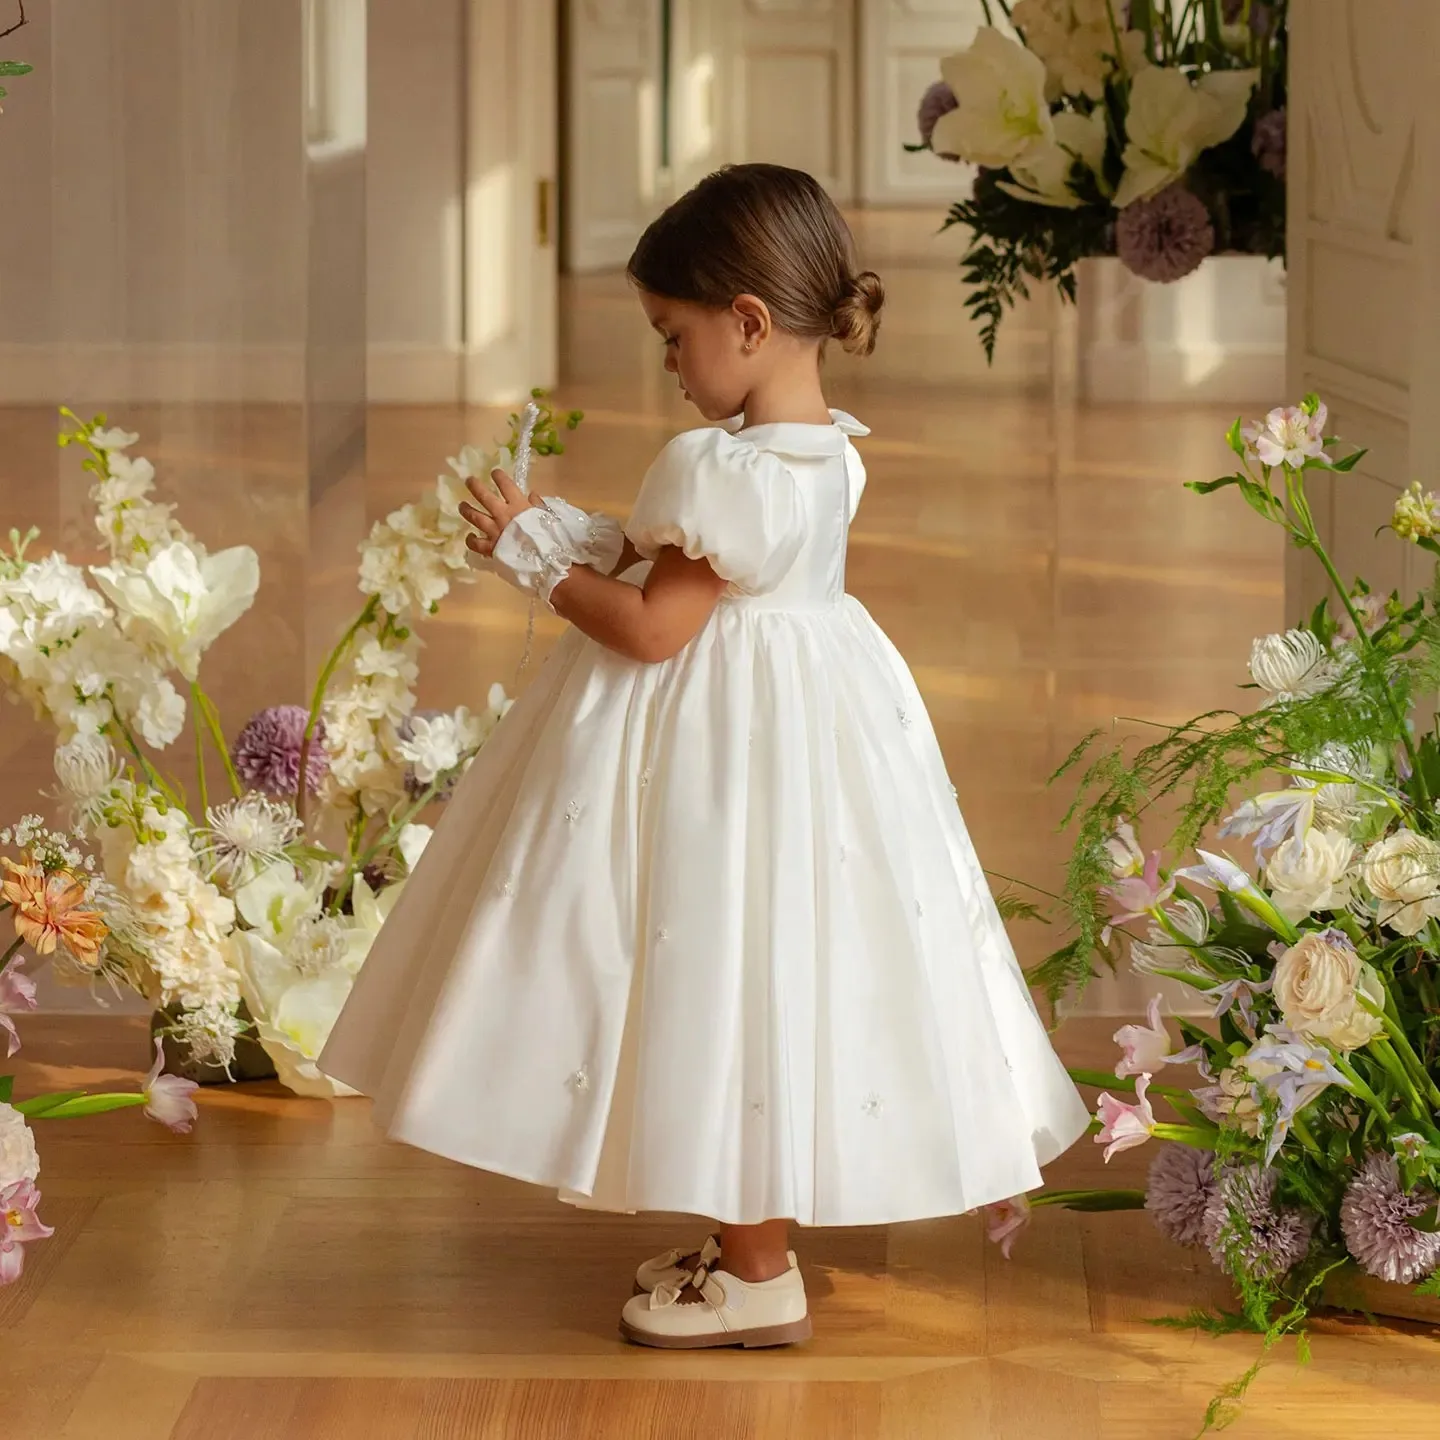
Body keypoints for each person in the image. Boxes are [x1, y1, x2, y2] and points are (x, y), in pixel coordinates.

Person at [319, 163, 1090, 1351]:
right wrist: (572, 530)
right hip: (811, 727)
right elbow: (677, 560)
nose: (670, 365)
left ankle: (759, 1276)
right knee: (770, 974)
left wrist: (537, 565)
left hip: (717, 750)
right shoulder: (826, 449)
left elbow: (652, 625)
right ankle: (748, 1246)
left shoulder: (709, 465)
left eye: (674, 336)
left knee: (710, 971)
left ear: (748, 320)